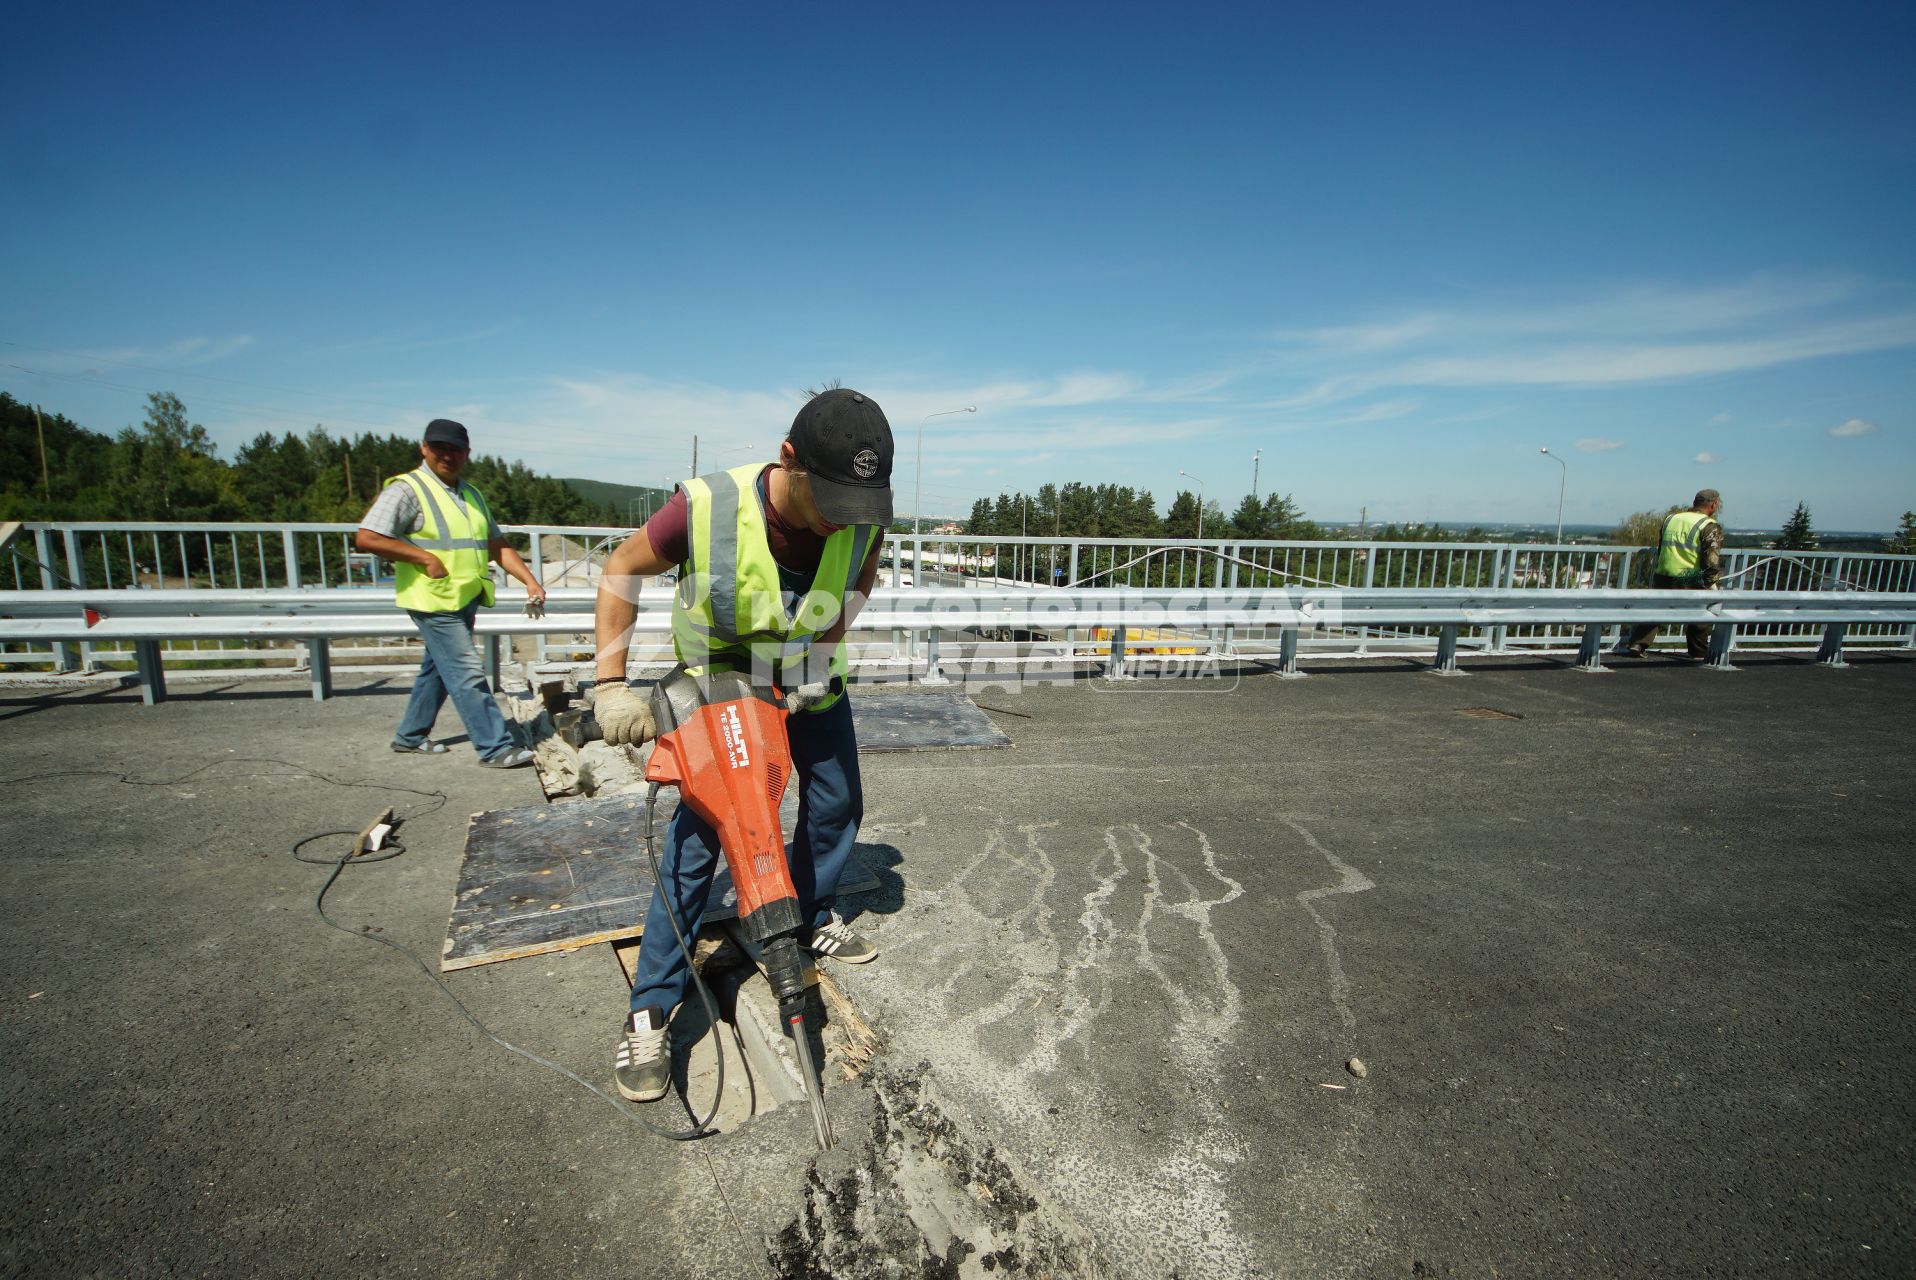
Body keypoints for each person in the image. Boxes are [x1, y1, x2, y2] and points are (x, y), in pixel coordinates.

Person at [592, 387, 888, 1103]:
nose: (838, 524)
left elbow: (860, 579)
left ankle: (809, 916)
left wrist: (826, 646)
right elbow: (621, 569)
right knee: (704, 837)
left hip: (808, 674)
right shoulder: (705, 508)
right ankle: (653, 1001)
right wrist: (610, 684)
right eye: (829, 504)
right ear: (789, 460)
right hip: (723, 681)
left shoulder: (860, 512)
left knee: (836, 803)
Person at [354, 418, 546, 767]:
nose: (447, 455)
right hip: (432, 599)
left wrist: (529, 581)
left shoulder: (470, 495)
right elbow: (368, 536)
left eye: (454, 450)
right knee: (467, 671)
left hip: (464, 596)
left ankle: (409, 736)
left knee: (439, 670)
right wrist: (422, 557)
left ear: (466, 454)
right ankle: (495, 747)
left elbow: (495, 544)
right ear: (424, 448)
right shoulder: (407, 489)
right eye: (439, 448)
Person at [1619, 488, 1723, 660]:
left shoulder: (1671, 519)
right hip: (1690, 576)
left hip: (1664, 572)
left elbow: (1662, 547)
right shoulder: (1709, 526)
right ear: (1713, 505)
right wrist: (1712, 583)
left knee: (1655, 610)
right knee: (1701, 615)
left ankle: (1637, 643)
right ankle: (1698, 652)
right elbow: (1711, 559)